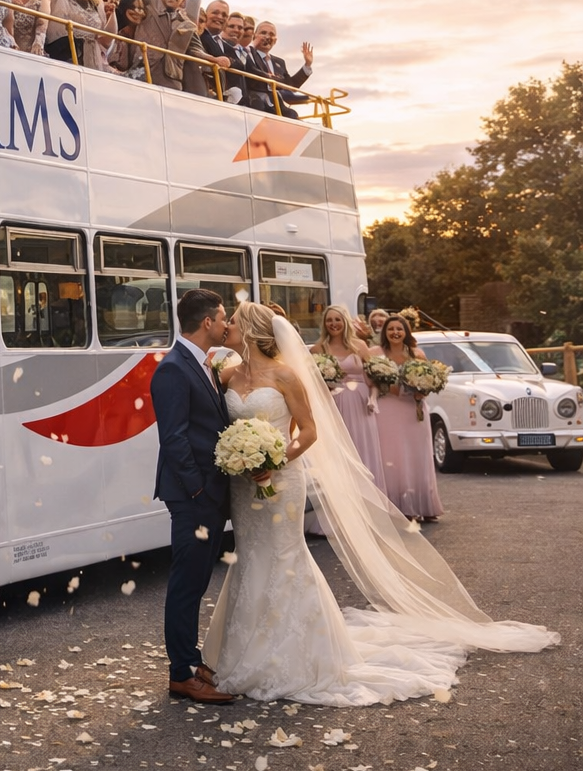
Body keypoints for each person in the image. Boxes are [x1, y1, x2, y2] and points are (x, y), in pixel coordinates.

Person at [206, 301, 557, 706]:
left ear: (249, 329)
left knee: (284, 557)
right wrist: (242, 459)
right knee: (250, 556)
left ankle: (293, 656)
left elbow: (309, 431)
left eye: (233, 320)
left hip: (282, 481)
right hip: (243, 486)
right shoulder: (227, 375)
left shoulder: (286, 375)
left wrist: (275, 459)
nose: (227, 325)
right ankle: (242, 650)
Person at [151, 289, 237, 705]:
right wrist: (199, 490)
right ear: (207, 323)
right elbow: (174, 439)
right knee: (186, 584)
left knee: (198, 579)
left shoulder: (202, 364)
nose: (226, 325)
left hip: (207, 494)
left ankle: (191, 659)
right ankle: (181, 673)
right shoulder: (172, 369)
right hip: (193, 497)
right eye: (223, 318)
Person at [370, 314, 444, 521]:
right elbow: (372, 380)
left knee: (417, 455)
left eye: (399, 329)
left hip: (414, 410)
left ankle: (423, 505)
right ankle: (397, 507)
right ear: (385, 332)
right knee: (392, 456)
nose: (395, 332)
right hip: (388, 410)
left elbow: (431, 380)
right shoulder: (377, 353)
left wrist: (423, 392)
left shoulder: (417, 354)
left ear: (406, 332)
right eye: (391, 329)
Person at [310, 304, 385, 495]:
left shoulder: (359, 346)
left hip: (361, 403)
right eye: (329, 320)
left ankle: (368, 500)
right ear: (324, 324)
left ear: (345, 321)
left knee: (362, 449)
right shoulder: (318, 349)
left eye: (337, 319)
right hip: (333, 404)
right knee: (338, 453)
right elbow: (312, 383)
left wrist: (373, 399)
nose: (333, 324)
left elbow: (374, 378)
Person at [251, 21, 313, 111]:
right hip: (257, 105)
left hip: (279, 106)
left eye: (271, 34)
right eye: (263, 33)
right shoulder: (249, 55)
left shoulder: (279, 62)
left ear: (275, 40)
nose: (267, 37)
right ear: (254, 36)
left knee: (293, 115)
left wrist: (307, 64)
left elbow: (291, 85)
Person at [105, 0, 148, 79]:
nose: (138, 12)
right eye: (133, 7)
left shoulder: (142, 37)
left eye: (141, 9)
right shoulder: (116, 34)